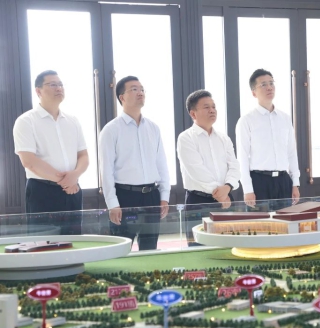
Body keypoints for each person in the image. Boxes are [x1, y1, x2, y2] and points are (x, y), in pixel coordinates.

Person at [99, 76, 170, 250]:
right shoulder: (111, 129)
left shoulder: (153, 128)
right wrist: (112, 204)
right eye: (134, 89)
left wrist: (164, 197)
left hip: (151, 196)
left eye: (142, 89)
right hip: (125, 196)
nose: (140, 93)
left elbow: (161, 164)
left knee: (150, 249)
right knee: (121, 250)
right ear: (122, 97)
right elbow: (106, 170)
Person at [13, 70, 88, 235]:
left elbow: (83, 155)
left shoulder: (72, 121)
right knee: (44, 242)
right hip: (42, 190)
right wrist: (66, 181)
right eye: (53, 84)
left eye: (60, 85)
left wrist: (75, 175)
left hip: (73, 189)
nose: (59, 88)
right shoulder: (26, 121)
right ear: (38, 91)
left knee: (74, 241)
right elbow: (29, 161)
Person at [177, 90, 240, 246]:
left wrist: (228, 187)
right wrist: (221, 195)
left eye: (213, 106)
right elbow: (196, 170)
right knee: (198, 249)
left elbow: (234, 166)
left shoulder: (224, 138)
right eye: (206, 107)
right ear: (193, 113)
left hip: (226, 198)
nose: (212, 110)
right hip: (199, 201)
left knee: (228, 247)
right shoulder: (186, 138)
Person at [236, 68, 300, 211]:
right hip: (259, 182)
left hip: (283, 181)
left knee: (286, 222)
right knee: (261, 223)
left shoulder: (285, 118)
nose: (269, 87)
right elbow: (242, 157)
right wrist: (247, 189)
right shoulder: (246, 120)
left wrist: (295, 183)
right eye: (263, 84)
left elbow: (291, 152)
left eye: (271, 83)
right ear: (254, 92)